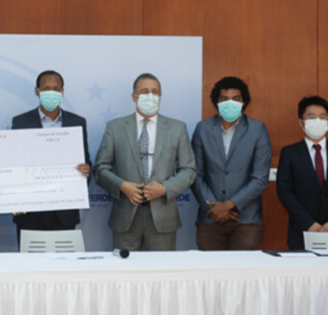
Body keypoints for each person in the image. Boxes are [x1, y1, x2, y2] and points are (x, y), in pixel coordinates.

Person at [93, 73, 196, 251]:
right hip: (125, 216)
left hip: (163, 217)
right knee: (124, 268)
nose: (150, 96)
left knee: (162, 268)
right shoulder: (115, 127)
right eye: (144, 91)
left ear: (160, 97)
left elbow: (189, 170)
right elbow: (100, 169)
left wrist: (164, 188)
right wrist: (122, 186)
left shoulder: (177, 128)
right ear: (134, 97)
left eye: (155, 92)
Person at [11, 70, 92, 244]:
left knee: (64, 261)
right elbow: (14, 165)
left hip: (64, 213)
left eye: (56, 89)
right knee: (30, 261)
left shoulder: (77, 122)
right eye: (46, 88)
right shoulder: (20, 122)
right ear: (37, 91)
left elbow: (86, 163)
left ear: (62, 92)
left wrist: (86, 171)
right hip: (30, 213)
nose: (51, 93)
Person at [191, 77, 271, 250]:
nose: (230, 103)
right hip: (210, 218)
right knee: (210, 268)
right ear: (216, 102)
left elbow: (259, 179)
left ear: (244, 102)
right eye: (224, 99)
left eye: (236, 99)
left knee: (242, 268)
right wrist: (214, 208)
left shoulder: (257, 129)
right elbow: (195, 175)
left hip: (246, 220)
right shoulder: (203, 129)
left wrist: (228, 206)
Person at [276, 96, 328, 250]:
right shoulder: (289, 153)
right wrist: (308, 222)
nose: (317, 121)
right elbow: (284, 191)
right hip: (301, 231)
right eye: (311, 117)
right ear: (301, 122)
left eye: (322, 117)